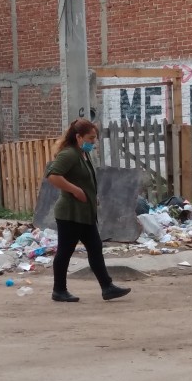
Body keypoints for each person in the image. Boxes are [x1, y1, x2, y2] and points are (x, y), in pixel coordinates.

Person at [45, 119, 131, 303]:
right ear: (78, 137)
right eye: (90, 138)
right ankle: (58, 290)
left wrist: (92, 195)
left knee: (95, 248)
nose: (93, 142)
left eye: (94, 139)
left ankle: (107, 287)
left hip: (85, 213)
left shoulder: (82, 154)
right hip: (70, 214)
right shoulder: (69, 154)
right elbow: (52, 176)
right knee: (65, 251)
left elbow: (85, 179)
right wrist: (75, 190)